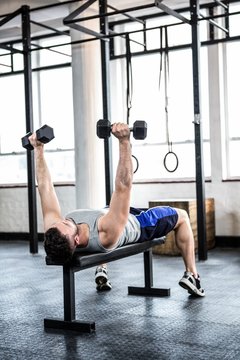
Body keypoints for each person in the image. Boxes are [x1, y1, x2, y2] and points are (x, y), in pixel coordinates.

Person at [29, 123, 205, 297]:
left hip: (107, 214)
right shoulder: (105, 232)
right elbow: (123, 186)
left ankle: (101, 268)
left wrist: (38, 149)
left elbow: (45, 188)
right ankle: (192, 275)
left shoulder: (56, 233)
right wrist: (124, 142)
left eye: (59, 223)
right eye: (65, 224)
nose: (62, 220)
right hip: (139, 223)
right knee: (182, 216)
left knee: (107, 212)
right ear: (76, 239)